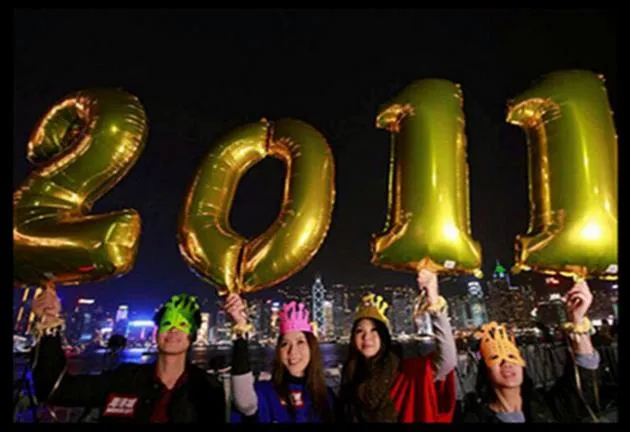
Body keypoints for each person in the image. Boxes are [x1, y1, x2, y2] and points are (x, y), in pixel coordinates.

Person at [30, 287, 226, 423]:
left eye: (182, 326)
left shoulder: (207, 388)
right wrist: (49, 323)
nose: (174, 331)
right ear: (156, 332)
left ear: (192, 336)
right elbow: (54, 390)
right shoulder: (124, 378)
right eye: (167, 324)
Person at [463, 280, 601, 423]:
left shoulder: (549, 406)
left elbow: (584, 379)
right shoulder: (475, 418)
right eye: (495, 357)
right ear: (485, 370)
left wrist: (577, 320)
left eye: (512, 356)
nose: (506, 363)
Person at [337, 268, 458, 423]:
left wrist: (433, 300)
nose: (367, 337)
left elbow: (447, 361)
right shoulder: (349, 377)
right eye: (359, 331)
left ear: (384, 337)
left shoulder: (405, 374)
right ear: (353, 339)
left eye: (374, 330)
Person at [226, 294, 335, 423]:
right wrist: (240, 329)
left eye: (300, 342)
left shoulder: (327, 396)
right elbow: (244, 403)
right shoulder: (265, 391)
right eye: (285, 344)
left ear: (312, 348)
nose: (292, 351)